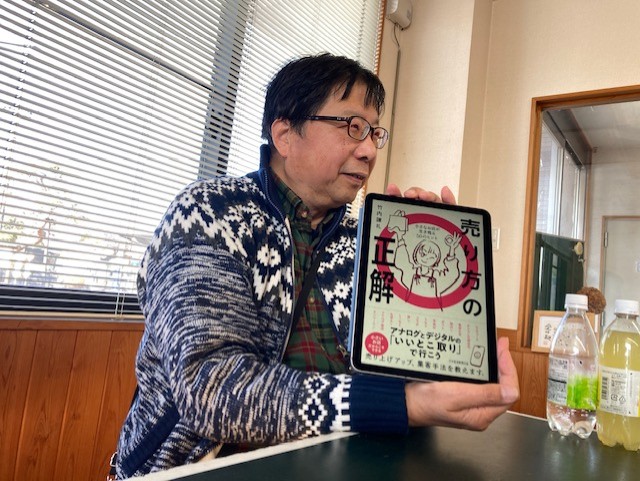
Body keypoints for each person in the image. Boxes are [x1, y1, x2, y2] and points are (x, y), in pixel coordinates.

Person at [114, 53, 519, 478]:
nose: (369, 150)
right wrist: (400, 405)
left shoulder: (367, 241)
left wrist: (432, 288)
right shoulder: (209, 214)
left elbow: (398, 379)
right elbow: (212, 389)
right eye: (352, 126)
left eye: (374, 132)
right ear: (285, 135)